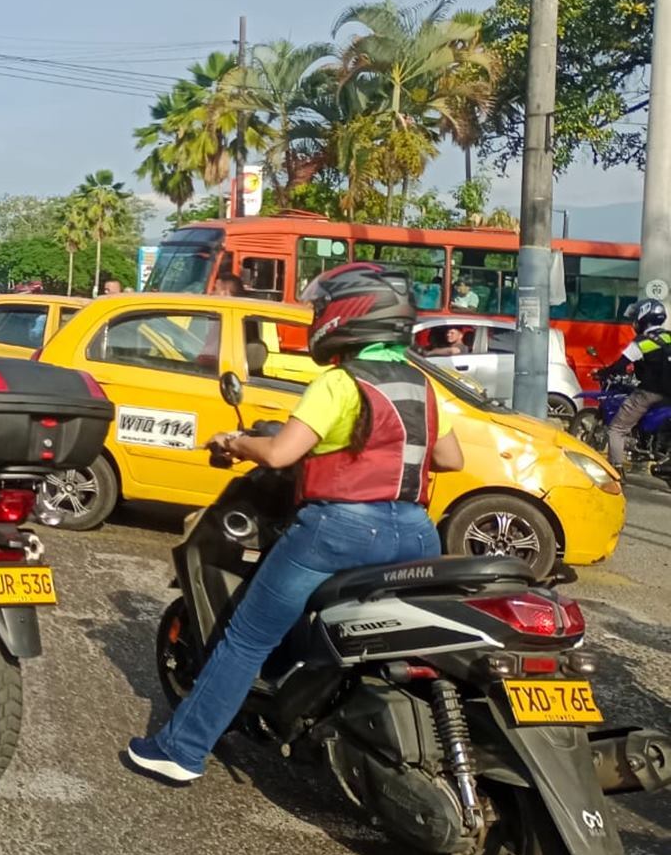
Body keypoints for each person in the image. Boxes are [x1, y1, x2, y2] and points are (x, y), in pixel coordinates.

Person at [126, 261, 464, 785]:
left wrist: (236, 442)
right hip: (417, 531)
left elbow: (282, 452)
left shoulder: (340, 382)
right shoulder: (420, 385)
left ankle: (181, 750)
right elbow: (449, 459)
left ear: (347, 317)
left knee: (246, 639)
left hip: (339, 532)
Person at [599, 298, 671, 472]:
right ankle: (646, 442)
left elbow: (620, 365)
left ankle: (616, 470)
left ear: (643, 318)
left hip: (650, 393)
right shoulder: (669, 337)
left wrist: (603, 372)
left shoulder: (641, 342)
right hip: (668, 394)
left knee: (616, 429)